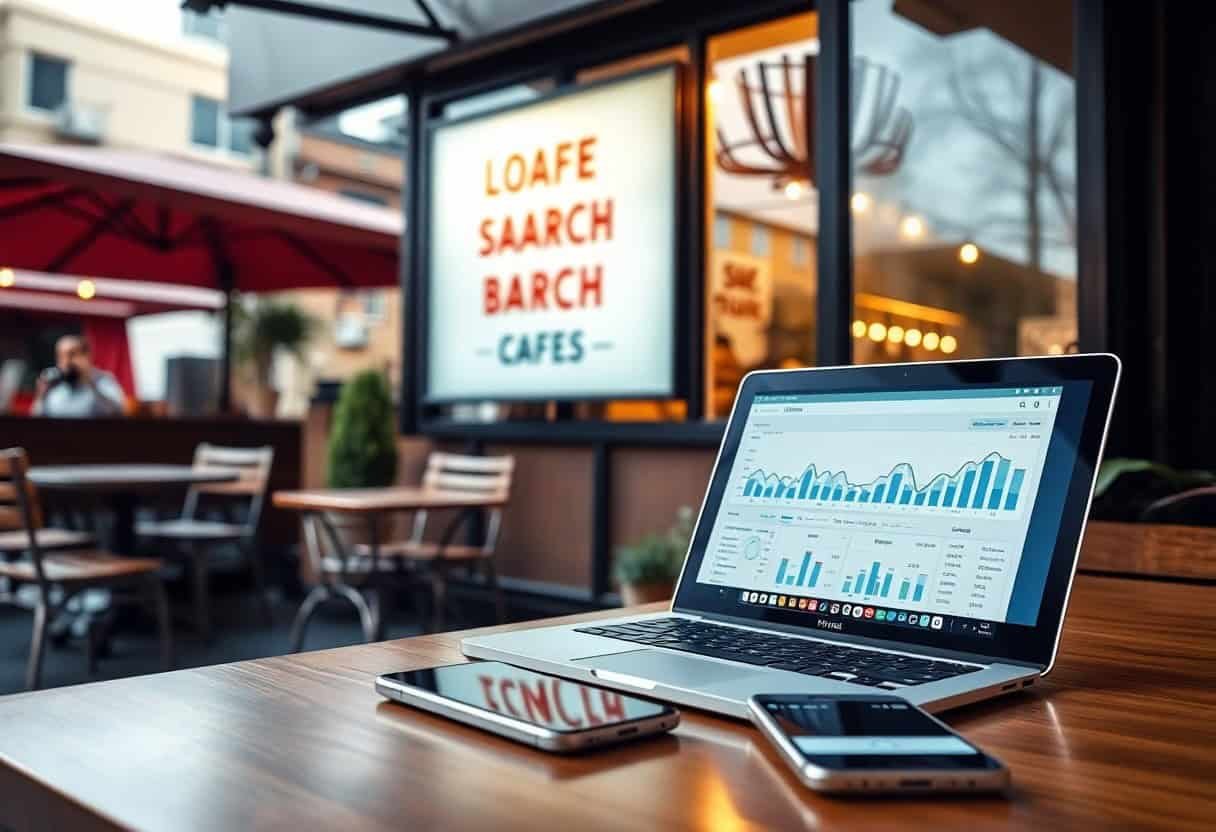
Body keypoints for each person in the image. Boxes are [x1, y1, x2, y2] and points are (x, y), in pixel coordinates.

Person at [31, 335, 126, 418]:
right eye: (61, 356)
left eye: (71, 355)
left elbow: (117, 412)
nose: (66, 361)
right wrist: (41, 396)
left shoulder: (102, 380)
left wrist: (90, 383)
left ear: (86, 356)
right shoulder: (52, 382)